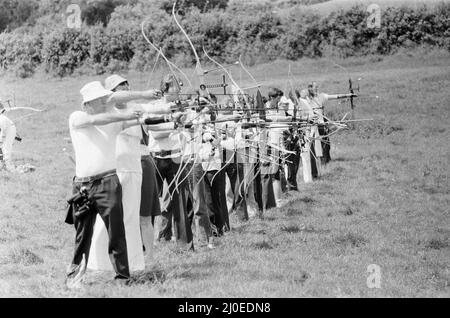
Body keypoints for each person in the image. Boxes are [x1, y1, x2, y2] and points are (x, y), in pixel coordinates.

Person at [65, 81, 161, 287]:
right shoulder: (78, 117)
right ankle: (75, 276)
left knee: (116, 232)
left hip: (108, 182)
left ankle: (122, 277)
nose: (103, 103)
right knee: (83, 235)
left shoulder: (113, 120)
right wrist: (128, 114)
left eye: (104, 100)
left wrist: (166, 111)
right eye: (98, 100)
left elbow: (145, 118)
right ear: (87, 104)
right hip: (83, 185)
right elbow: (102, 118)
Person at [0, 100, 18, 172]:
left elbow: (2, 131)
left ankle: (8, 166)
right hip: (5, 129)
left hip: (9, 130)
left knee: (6, 148)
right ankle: (3, 164)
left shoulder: (1, 119)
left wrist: (1, 140)